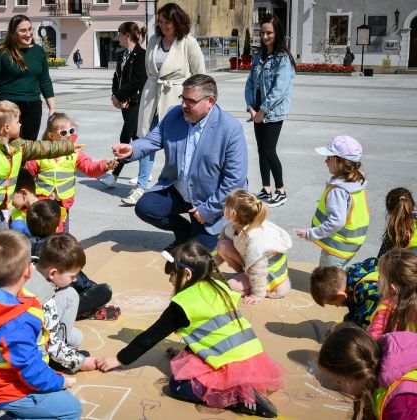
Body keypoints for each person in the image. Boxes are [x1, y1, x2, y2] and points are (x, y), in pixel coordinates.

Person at [95, 240, 282, 417]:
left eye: (173, 275)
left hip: (227, 362)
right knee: (184, 363)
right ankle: (241, 388)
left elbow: (150, 337)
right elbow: (214, 331)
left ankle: (237, 396)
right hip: (249, 354)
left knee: (177, 385)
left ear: (187, 275)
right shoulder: (219, 284)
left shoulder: (182, 304)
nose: (170, 280)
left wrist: (118, 359)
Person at [112, 74, 248, 251]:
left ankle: (200, 233)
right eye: (182, 98)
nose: (184, 105)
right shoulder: (174, 115)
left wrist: (208, 210)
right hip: (179, 192)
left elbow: (235, 181)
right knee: (146, 207)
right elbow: (153, 140)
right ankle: (184, 232)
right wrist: (132, 149)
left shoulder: (230, 129)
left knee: (197, 256)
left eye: (190, 101)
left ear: (210, 101)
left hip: (209, 200)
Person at [0, 230, 82, 419]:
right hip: (8, 390)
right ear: (29, 271)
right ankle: (3, 415)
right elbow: (30, 370)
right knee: (72, 408)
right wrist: (59, 381)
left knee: (58, 396)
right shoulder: (17, 323)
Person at [0, 101, 78, 238]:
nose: (20, 124)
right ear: (7, 127)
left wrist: (69, 148)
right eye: (17, 121)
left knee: (6, 243)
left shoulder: (16, 145)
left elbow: (41, 148)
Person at [125, 3, 206, 206]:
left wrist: (199, 103)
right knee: (146, 140)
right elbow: (149, 69)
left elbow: (201, 76)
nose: (162, 26)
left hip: (176, 98)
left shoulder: (188, 43)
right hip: (152, 96)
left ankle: (180, 185)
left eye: (167, 22)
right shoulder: (153, 40)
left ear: (176, 22)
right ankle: (141, 186)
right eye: (160, 22)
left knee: (178, 143)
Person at [26, 200, 118, 320]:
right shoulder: (57, 248)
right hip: (51, 304)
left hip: (30, 302)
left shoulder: (22, 244)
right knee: (104, 291)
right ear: (58, 223)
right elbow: (81, 281)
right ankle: (80, 312)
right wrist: (93, 290)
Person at [26, 112, 117, 232]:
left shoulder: (74, 153)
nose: (68, 135)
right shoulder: (41, 153)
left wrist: (104, 165)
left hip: (63, 203)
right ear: (51, 136)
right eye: (63, 133)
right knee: (43, 232)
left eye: (71, 131)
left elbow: (89, 168)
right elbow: (27, 175)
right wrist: (27, 196)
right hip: (43, 203)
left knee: (63, 233)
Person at [25, 233, 97, 373]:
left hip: (20, 335)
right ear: (53, 273)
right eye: (72, 276)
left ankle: (61, 353)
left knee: (76, 338)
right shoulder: (44, 297)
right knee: (70, 295)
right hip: (33, 347)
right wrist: (79, 363)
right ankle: (56, 362)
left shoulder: (30, 267)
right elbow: (50, 342)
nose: (75, 279)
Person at [244, 13, 296, 208]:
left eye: (269, 33)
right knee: (260, 150)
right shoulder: (259, 57)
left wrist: (263, 111)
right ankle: (266, 188)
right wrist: (250, 107)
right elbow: (250, 84)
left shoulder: (283, 59)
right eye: (263, 32)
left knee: (269, 150)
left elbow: (279, 90)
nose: (265, 37)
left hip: (272, 113)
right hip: (256, 111)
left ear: (277, 33)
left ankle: (281, 190)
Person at [295, 135, 369, 268]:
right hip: (350, 244)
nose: (325, 161)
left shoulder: (338, 190)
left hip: (336, 247)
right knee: (336, 278)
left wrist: (311, 233)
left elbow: (337, 221)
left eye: (329, 158)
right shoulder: (357, 180)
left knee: (327, 283)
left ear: (340, 161)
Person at [318, 323, 417, 420]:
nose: (339, 385)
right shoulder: (381, 382)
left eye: (339, 381)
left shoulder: (401, 402)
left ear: (355, 373)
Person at [0, 14, 55, 142]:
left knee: (28, 146)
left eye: (30, 29)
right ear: (13, 33)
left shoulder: (39, 51)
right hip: (6, 108)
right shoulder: (1, 53)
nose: (28, 34)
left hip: (33, 106)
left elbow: (45, 81)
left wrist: (52, 108)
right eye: (23, 30)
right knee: (7, 146)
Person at [217, 190, 292, 304]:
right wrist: (206, 267)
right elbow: (220, 249)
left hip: (267, 273)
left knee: (228, 287)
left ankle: (270, 286)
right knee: (223, 245)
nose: (223, 207)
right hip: (252, 266)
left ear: (233, 213)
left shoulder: (256, 240)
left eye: (226, 205)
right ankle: (243, 275)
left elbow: (258, 271)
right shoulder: (234, 226)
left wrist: (257, 294)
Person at [109, 22, 147, 188]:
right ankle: (146, 172)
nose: (117, 37)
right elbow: (117, 77)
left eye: (119, 34)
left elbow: (138, 80)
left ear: (126, 35)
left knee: (125, 137)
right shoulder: (122, 55)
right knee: (138, 138)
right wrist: (115, 95)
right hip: (125, 103)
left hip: (137, 102)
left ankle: (114, 174)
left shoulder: (142, 55)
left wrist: (119, 95)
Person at [309, 257, 380, 328]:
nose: (337, 306)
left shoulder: (368, 294)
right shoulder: (351, 274)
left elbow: (365, 325)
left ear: (341, 295)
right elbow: (354, 310)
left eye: (333, 304)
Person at [368, 249, 417, 340]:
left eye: (379, 277)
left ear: (392, 289)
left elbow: (372, 343)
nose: (377, 279)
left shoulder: (385, 311)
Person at [377, 187, 416, 258]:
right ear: (412, 205)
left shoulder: (396, 230)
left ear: (388, 210)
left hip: (406, 268)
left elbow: (382, 259)